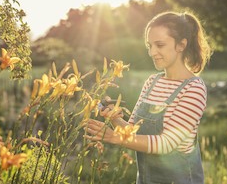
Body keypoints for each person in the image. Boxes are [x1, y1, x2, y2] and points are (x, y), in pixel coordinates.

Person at [84, 11, 212, 184]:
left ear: (181, 45)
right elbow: (133, 132)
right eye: (149, 46)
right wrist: (114, 119)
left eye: (159, 45)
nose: (152, 52)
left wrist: (113, 137)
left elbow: (167, 144)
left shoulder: (193, 89)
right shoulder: (152, 82)